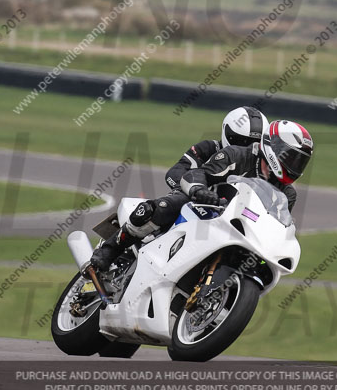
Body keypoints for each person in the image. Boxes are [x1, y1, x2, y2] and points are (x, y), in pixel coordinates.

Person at [91, 106, 269, 271]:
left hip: (229, 216)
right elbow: (175, 172)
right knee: (162, 207)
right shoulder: (209, 148)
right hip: (194, 200)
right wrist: (195, 191)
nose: (243, 147)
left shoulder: (259, 169)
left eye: (252, 143)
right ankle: (111, 248)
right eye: (239, 141)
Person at [180, 119, 314, 213]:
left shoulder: (287, 194)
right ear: (273, 146)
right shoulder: (235, 156)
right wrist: (200, 190)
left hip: (247, 236)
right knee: (168, 206)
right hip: (205, 213)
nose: (295, 165)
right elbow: (197, 174)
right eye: (291, 158)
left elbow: (281, 228)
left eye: (300, 161)